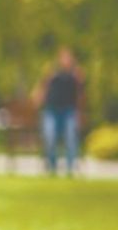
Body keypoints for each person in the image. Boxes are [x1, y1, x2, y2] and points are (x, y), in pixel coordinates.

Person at [33, 47, 84, 176]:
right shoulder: (52, 72)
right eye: (64, 58)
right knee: (49, 137)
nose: (66, 61)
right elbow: (42, 87)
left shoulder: (75, 75)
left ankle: (70, 168)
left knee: (71, 138)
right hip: (51, 110)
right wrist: (38, 99)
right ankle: (52, 167)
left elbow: (80, 95)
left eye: (68, 58)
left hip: (69, 111)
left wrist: (80, 112)